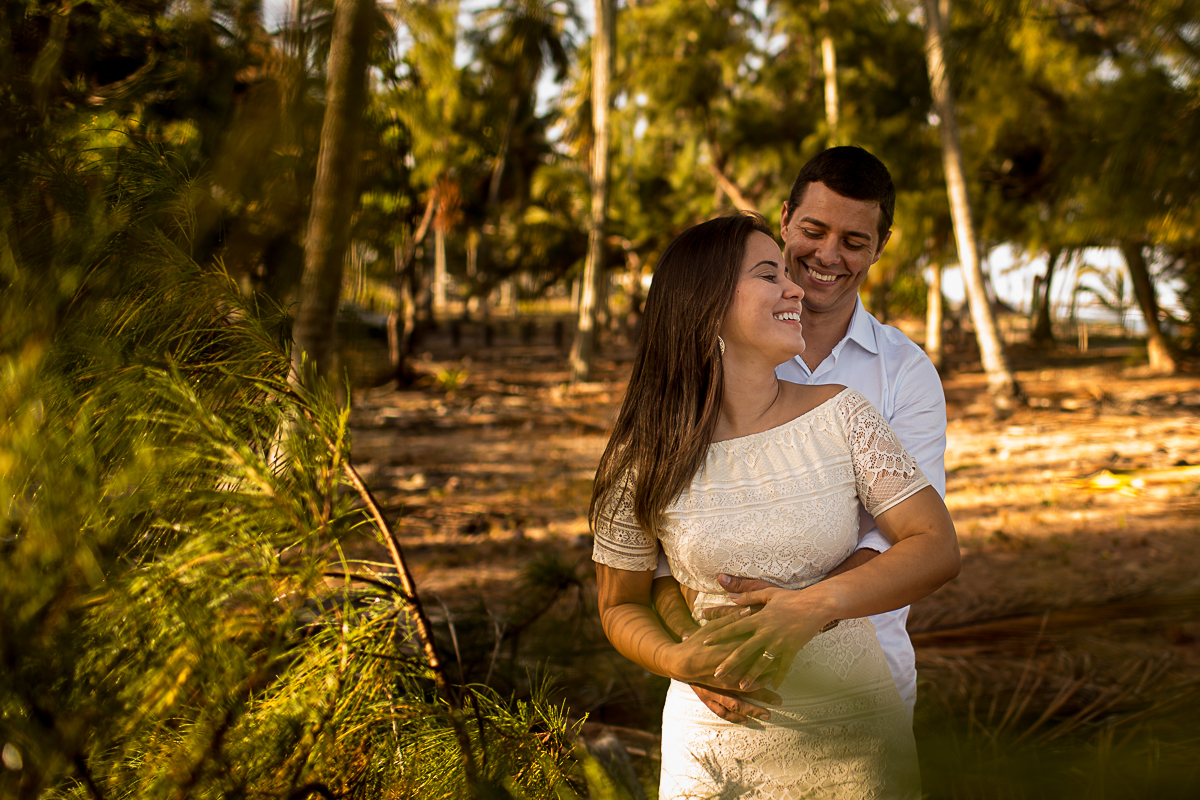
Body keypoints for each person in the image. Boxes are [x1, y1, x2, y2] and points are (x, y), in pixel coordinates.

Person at [591, 211, 960, 798]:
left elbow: (936, 547)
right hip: (712, 744)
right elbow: (620, 604)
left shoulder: (844, 415)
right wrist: (675, 659)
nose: (794, 287)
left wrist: (811, 606)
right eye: (769, 274)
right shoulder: (642, 455)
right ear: (706, 305)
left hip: (853, 735)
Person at [652, 146, 947, 725]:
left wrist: (791, 614)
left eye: (855, 242)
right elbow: (659, 549)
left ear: (881, 247)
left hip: (867, 681)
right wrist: (693, 655)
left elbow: (909, 540)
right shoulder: (707, 366)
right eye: (813, 230)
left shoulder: (905, 374)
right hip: (722, 688)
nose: (828, 256)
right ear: (786, 218)